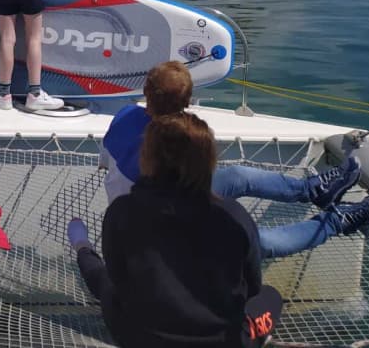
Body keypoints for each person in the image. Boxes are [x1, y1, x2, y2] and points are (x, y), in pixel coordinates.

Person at [102, 61, 369, 257]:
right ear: (188, 102)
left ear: (145, 92)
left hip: (150, 205)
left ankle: (314, 190)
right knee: (255, 241)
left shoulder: (125, 116)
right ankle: (336, 221)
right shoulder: (185, 141)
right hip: (160, 226)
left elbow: (107, 159)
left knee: (237, 176)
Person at [69, 112, 284, 348]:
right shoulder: (234, 215)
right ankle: (259, 337)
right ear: (208, 161)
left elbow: (117, 277)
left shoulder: (121, 211)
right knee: (270, 296)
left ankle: (81, 245)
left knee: (105, 283)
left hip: (139, 337)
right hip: (223, 341)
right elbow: (252, 287)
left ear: (146, 158)